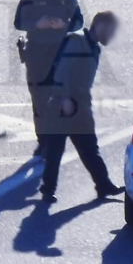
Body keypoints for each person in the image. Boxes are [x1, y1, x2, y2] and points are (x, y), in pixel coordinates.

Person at [39, 11, 125, 204]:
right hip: (64, 103)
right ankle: (47, 190)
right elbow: (62, 70)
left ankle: (103, 185)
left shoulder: (95, 48)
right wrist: (64, 98)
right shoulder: (77, 41)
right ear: (100, 26)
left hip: (81, 103)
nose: (112, 36)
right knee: (55, 150)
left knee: (89, 148)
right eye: (111, 31)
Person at [13, 0, 83, 157]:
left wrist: (63, 24)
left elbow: (79, 22)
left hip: (60, 53)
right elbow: (18, 22)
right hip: (36, 53)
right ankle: (43, 141)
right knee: (39, 98)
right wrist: (37, 24)